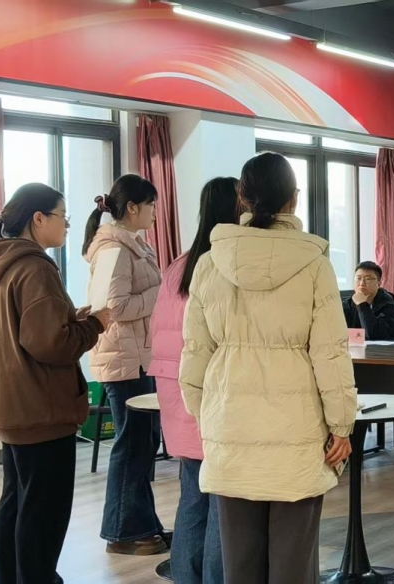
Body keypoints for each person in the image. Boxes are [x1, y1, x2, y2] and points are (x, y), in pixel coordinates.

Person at [180, 152, 356, 583]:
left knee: (239, 562)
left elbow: (195, 352)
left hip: (230, 425)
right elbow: (330, 353)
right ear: (294, 198)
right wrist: (341, 424)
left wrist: (207, 415)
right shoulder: (314, 264)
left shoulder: (209, 263)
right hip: (297, 429)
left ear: (242, 197)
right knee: (294, 562)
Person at [0, 184, 108, 583]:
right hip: (41, 410)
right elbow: (51, 344)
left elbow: (35, 330)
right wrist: (96, 324)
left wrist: (74, 319)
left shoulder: (3, 263)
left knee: (17, 504)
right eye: (62, 216)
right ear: (38, 219)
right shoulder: (35, 267)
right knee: (42, 515)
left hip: (14, 405)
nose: (67, 225)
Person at [149, 177, 239, 583]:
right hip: (212, 390)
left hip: (175, 390)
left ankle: (186, 576)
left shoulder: (178, 266)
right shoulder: (223, 263)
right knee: (222, 501)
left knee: (192, 495)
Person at [83, 174, 167, 555]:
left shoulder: (133, 245)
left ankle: (142, 524)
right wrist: (157, 294)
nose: (155, 212)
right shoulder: (113, 249)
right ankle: (123, 532)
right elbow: (113, 308)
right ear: (132, 208)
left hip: (138, 356)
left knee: (144, 442)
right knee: (133, 444)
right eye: (150, 205)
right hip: (123, 359)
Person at [342, 261, 394, 340]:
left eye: (368, 279)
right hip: (353, 347)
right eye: (358, 278)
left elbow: (374, 335)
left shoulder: (389, 306)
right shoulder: (347, 304)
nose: (362, 283)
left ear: (379, 283)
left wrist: (362, 305)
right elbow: (339, 334)